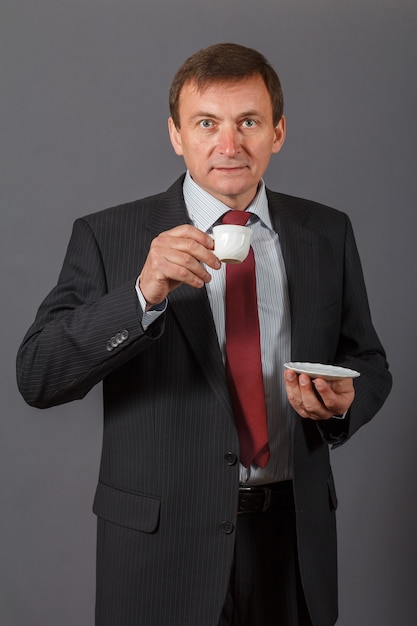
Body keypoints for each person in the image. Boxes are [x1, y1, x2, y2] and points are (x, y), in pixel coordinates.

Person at [16, 43, 392, 626]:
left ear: (278, 131)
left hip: (292, 544)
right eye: (207, 123)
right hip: (160, 552)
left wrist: (344, 403)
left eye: (248, 122)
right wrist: (140, 295)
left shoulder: (326, 231)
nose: (229, 144)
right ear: (176, 134)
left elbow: (367, 359)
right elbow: (37, 375)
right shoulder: (107, 236)